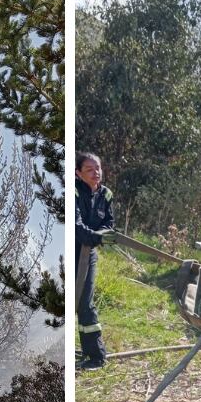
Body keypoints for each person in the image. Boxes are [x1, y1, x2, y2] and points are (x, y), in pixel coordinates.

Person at [75, 152, 116, 370]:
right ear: (78, 173)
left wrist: (101, 236)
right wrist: (97, 237)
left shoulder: (106, 195)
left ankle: (96, 356)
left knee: (85, 303)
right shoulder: (72, 192)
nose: (96, 173)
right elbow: (76, 226)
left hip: (88, 255)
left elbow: (109, 225)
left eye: (98, 168)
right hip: (70, 252)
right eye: (89, 169)